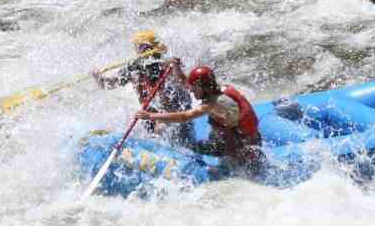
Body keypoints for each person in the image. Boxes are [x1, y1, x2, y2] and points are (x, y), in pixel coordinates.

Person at [135, 66, 263, 173]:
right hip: (246, 138)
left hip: (242, 147)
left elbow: (184, 116)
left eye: (194, 88)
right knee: (213, 132)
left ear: (201, 86)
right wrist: (177, 70)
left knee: (192, 146)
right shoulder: (218, 88)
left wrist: (150, 116)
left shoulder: (214, 103)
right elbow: (189, 85)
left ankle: (212, 170)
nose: (192, 91)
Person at [94, 31, 193, 147]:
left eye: (147, 48)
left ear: (155, 48)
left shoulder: (168, 63)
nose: (145, 51)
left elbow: (187, 85)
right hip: (149, 115)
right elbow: (108, 85)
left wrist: (176, 68)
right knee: (146, 125)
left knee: (160, 128)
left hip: (177, 115)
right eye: (141, 48)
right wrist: (98, 78)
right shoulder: (134, 69)